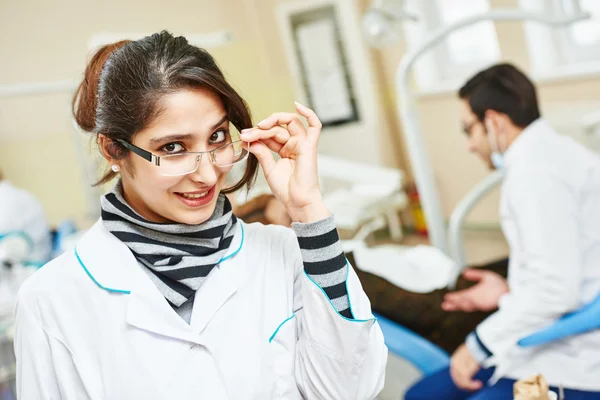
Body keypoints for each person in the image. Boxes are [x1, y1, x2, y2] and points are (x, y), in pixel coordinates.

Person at [13, 31, 387, 399]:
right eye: (174, 147)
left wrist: (309, 211)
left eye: (218, 138)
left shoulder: (285, 254)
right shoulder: (53, 299)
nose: (208, 175)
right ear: (113, 149)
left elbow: (351, 389)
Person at [406, 63, 600, 399]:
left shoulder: (536, 174)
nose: (469, 145)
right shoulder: (557, 153)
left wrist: (476, 346)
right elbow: (564, 269)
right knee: (423, 395)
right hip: (553, 329)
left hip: (573, 357)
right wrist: (506, 292)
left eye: (469, 129)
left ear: (493, 121)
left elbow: (556, 290)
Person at [0, 171, 52, 265]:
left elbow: (8, 248)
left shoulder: (6, 200)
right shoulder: (15, 194)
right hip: (30, 260)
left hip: (29, 265)